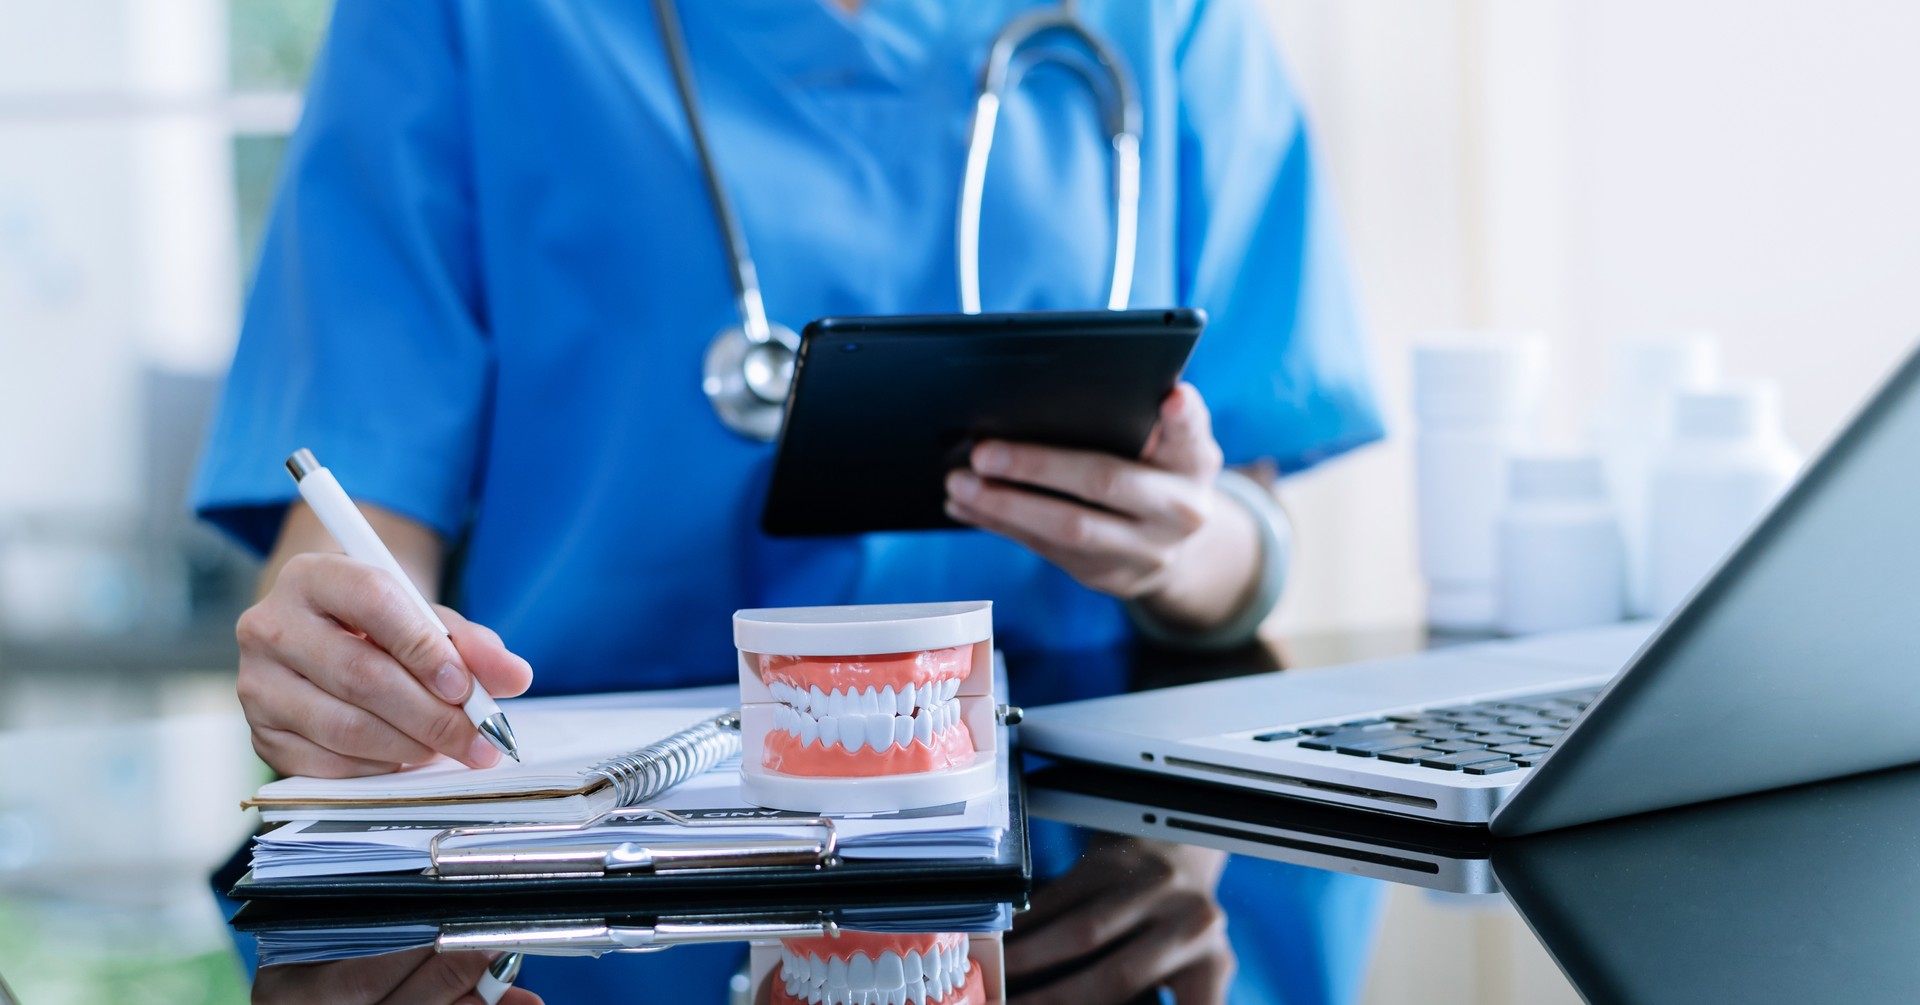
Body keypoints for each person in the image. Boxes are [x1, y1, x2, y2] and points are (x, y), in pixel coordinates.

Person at [196, 0, 1384, 1001]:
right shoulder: (458, 20)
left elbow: (1248, 540)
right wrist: (333, 662)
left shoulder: (1174, 20)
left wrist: (1180, 545)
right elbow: (363, 514)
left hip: (1083, 860)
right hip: (576, 883)